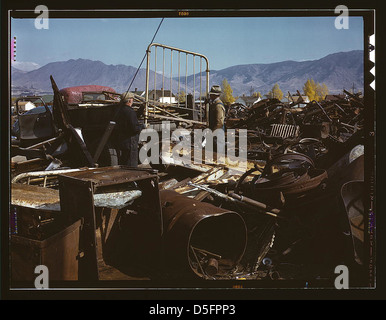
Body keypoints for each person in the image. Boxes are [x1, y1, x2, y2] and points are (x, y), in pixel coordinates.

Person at [114, 91, 144, 167]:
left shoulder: (119, 110)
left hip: (122, 140)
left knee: (124, 161)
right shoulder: (130, 112)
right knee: (131, 163)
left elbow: (130, 119)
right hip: (130, 140)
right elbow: (134, 129)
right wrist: (142, 126)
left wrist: (141, 109)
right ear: (130, 100)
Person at [207, 85, 226, 154]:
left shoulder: (218, 106)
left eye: (211, 94)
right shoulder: (214, 104)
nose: (210, 96)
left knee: (218, 150)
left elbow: (219, 122)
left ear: (215, 95)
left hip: (217, 131)